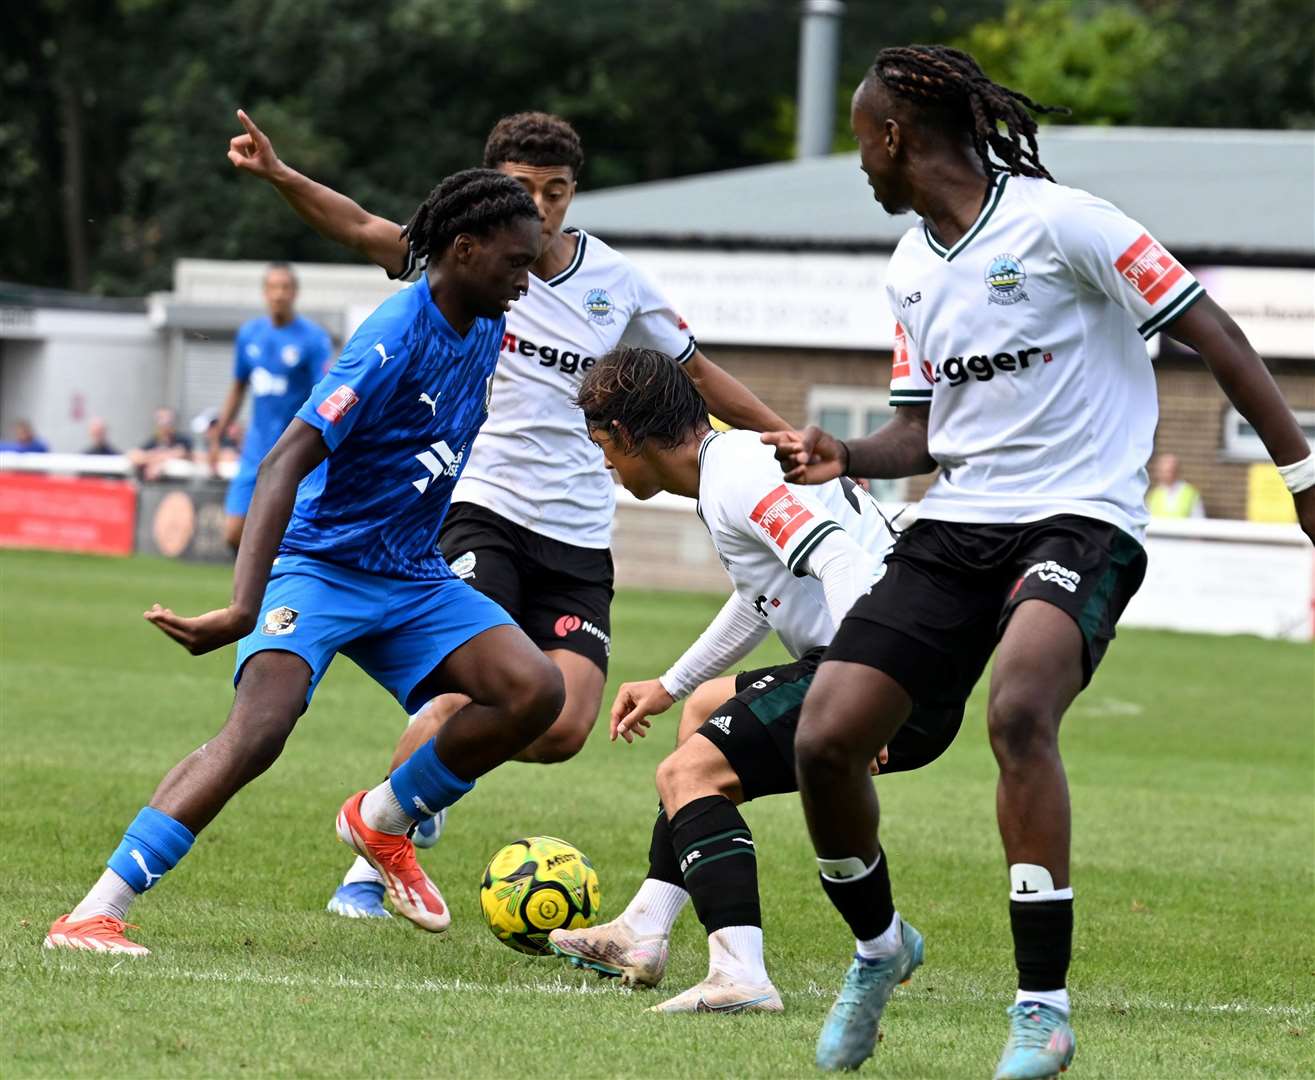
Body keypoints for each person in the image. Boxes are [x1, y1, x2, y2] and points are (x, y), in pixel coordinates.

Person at [762, 45, 1315, 1079]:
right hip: (954, 525)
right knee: (824, 741)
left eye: (859, 142)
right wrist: (850, 454)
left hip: (1081, 522)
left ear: (894, 136)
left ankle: (1040, 1010)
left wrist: (1301, 470)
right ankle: (880, 951)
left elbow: (1218, 333)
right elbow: (920, 434)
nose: (859, 167)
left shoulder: (1066, 223)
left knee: (1018, 710)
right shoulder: (910, 267)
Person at [227, 108, 787, 919]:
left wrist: (786, 439)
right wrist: (281, 176)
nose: (545, 206)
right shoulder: (477, 265)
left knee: (561, 726)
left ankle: (427, 782)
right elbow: (357, 226)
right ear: (496, 190)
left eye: (557, 192)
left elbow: (696, 373)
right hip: (479, 507)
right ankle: (372, 860)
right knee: (462, 688)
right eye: (527, 189)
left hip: (579, 532)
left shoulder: (616, 285)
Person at [45, 169, 565, 956]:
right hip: (320, 566)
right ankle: (93, 912)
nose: (526, 283)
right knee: (259, 730)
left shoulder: (480, 305)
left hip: (413, 573)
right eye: (516, 264)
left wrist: (282, 172)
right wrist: (242, 606)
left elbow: (362, 225)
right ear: (464, 249)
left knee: (535, 691)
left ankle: (385, 820)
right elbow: (285, 459)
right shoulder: (391, 338)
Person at [543, 348, 963, 1014]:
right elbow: (760, 597)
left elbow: (840, 562)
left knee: (687, 776)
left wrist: (865, 697)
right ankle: (644, 930)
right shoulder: (729, 470)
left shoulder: (736, 475)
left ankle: (740, 974)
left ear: (627, 436)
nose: (603, 463)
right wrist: (671, 684)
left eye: (602, 445)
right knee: (699, 720)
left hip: (891, 677)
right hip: (889, 666)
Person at [213, 262, 333, 550]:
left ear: (295, 293)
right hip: (255, 449)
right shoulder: (249, 334)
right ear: (265, 293)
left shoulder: (313, 339)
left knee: (286, 533)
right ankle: (256, 588)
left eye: (285, 288)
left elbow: (325, 391)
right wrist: (218, 435)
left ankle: (270, 590)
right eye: (273, 288)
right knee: (233, 532)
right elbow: (238, 386)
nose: (279, 294)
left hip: (294, 450)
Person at [128, 408, 193, 481]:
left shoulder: (183, 439)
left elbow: (181, 453)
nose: (164, 422)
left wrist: (158, 463)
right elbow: (134, 456)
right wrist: (154, 461)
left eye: (167, 418)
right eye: (160, 418)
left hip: (177, 484)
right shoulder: (153, 441)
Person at [1146, 453, 1205, 518]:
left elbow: (1199, 521)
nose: (1164, 475)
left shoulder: (1190, 493)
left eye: (1168, 471)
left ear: (1176, 471)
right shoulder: (1154, 494)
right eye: (1162, 471)